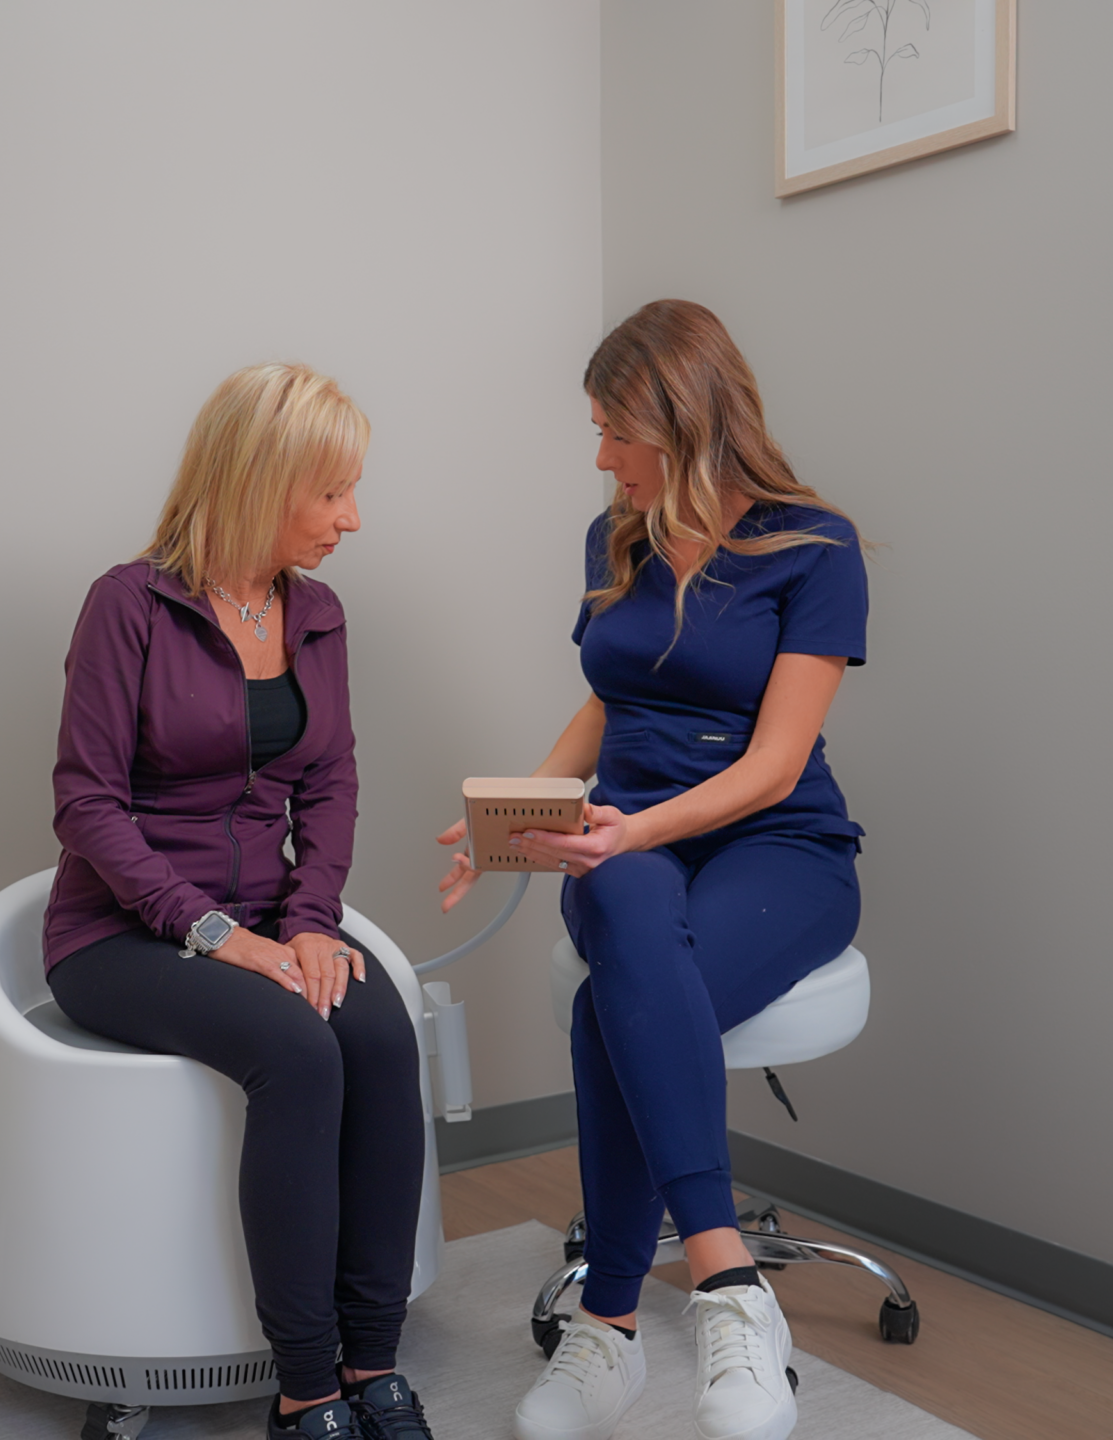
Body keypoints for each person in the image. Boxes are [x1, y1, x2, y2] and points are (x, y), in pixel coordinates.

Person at [438, 301, 866, 1440]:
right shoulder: (615, 536)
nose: (600, 457)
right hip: (626, 843)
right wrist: (510, 812)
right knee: (625, 918)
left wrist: (633, 830)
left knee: (612, 1008)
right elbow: (607, 701)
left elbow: (776, 766)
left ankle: (614, 1322)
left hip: (780, 848)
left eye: (614, 431)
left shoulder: (814, 546)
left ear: (683, 421)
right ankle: (731, 1290)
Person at [45, 363, 436, 1440]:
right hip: (120, 935)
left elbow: (331, 782)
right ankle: (305, 1389)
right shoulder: (128, 604)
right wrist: (215, 934)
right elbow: (86, 803)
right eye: (332, 493)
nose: (352, 519)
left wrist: (308, 921)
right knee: (299, 1051)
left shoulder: (317, 613)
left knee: (381, 1037)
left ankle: (373, 1363)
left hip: (269, 921)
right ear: (261, 481)